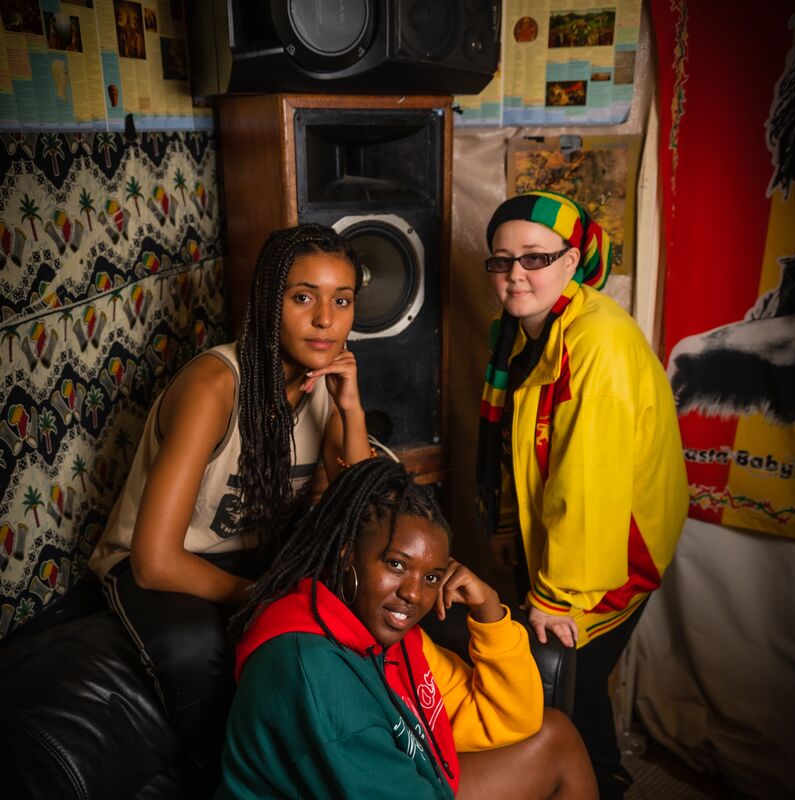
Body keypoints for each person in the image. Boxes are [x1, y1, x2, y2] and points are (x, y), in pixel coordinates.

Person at [88, 223, 372, 793]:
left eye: (341, 301)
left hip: (252, 561)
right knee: (196, 648)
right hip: (159, 566)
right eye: (302, 298)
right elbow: (154, 562)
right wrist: (267, 595)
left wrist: (352, 408)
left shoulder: (328, 380)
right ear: (269, 304)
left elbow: (357, 512)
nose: (325, 319)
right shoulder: (215, 385)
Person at [218, 458, 598, 799]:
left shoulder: (394, 642)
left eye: (432, 576)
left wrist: (489, 611)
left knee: (556, 737)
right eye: (396, 565)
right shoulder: (310, 671)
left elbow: (506, 718)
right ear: (346, 553)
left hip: (404, 775)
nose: (414, 595)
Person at [476, 191, 688, 799]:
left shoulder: (597, 341)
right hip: (560, 540)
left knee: (565, 688)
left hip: (612, 549)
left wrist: (558, 598)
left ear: (573, 261)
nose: (517, 273)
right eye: (502, 259)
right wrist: (507, 531)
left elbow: (587, 481)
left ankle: (601, 783)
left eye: (536, 258)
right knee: (571, 687)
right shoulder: (521, 332)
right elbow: (525, 451)